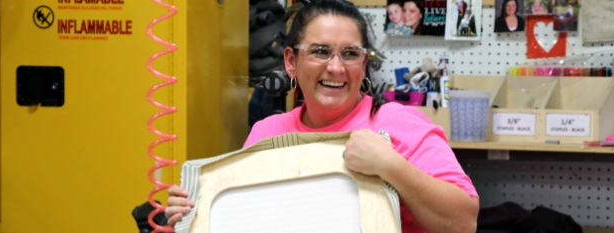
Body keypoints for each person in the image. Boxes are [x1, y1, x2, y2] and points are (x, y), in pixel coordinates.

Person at [165, 0, 479, 232]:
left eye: (350, 53)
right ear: (291, 61)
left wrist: (390, 166)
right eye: (319, 51)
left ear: (364, 63)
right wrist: (197, 210)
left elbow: (464, 223)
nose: (336, 67)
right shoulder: (267, 131)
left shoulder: (397, 123)